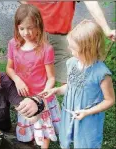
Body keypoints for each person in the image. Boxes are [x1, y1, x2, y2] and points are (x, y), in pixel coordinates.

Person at [40, 20, 115, 148]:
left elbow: (110, 100)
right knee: (68, 139)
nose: (69, 49)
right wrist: (57, 90)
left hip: (88, 118)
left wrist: (87, 112)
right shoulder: (71, 63)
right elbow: (72, 86)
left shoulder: (102, 74)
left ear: (87, 49)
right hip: (69, 112)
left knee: (85, 144)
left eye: (73, 48)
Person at [20, 1, 116, 84]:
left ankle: (71, 102)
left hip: (59, 35)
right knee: (33, 76)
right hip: (32, 32)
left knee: (68, 77)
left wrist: (106, 29)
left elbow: (91, 2)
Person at [6, 4, 61, 149]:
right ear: (17, 27)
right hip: (24, 97)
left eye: (30, 27)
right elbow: (9, 68)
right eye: (22, 28)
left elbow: (51, 78)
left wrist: (42, 97)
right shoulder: (13, 44)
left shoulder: (46, 49)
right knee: (29, 127)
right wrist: (17, 80)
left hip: (41, 97)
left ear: (38, 26)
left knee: (44, 131)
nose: (26, 32)